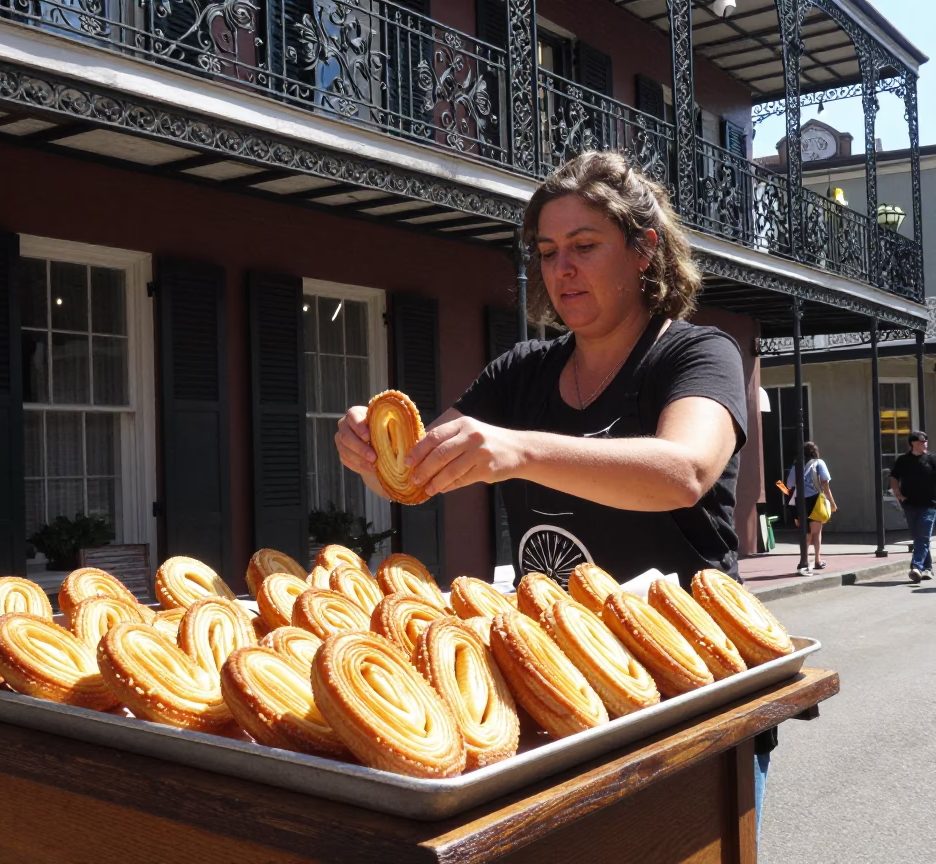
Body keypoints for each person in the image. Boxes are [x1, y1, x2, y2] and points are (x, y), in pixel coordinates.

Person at [334, 151, 774, 842]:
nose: (561, 269)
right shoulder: (522, 373)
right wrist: (372, 453)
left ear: (643, 250)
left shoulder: (696, 354)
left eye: (584, 247)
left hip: (685, 693)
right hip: (561, 695)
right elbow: (420, 471)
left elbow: (684, 470)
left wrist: (521, 450)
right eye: (546, 252)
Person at [889, 430, 936, 583]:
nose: (925, 444)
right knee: (919, 537)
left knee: (923, 536)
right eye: (922, 441)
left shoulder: (933, 460)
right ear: (913, 443)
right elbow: (893, 478)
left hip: (930, 504)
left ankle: (916, 567)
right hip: (909, 504)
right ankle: (928, 568)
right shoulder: (903, 460)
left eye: (926, 441)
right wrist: (898, 494)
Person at [784, 441, 837, 572]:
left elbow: (789, 484)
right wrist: (832, 503)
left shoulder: (796, 466)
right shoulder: (819, 463)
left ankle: (804, 560)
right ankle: (818, 560)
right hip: (815, 500)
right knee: (817, 532)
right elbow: (825, 485)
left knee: (805, 532)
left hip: (799, 501)